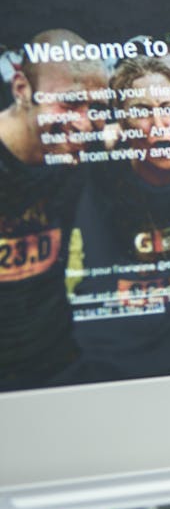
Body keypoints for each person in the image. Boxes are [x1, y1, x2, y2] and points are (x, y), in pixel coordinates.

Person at [72, 56, 170, 381]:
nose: (159, 125)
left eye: (168, 107)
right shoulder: (96, 180)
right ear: (121, 123)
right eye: (141, 111)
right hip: (108, 367)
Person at [0, 30, 108, 390]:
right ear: (21, 90)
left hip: (59, 363)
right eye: (71, 103)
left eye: (96, 109)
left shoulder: (72, 159)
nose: (85, 123)